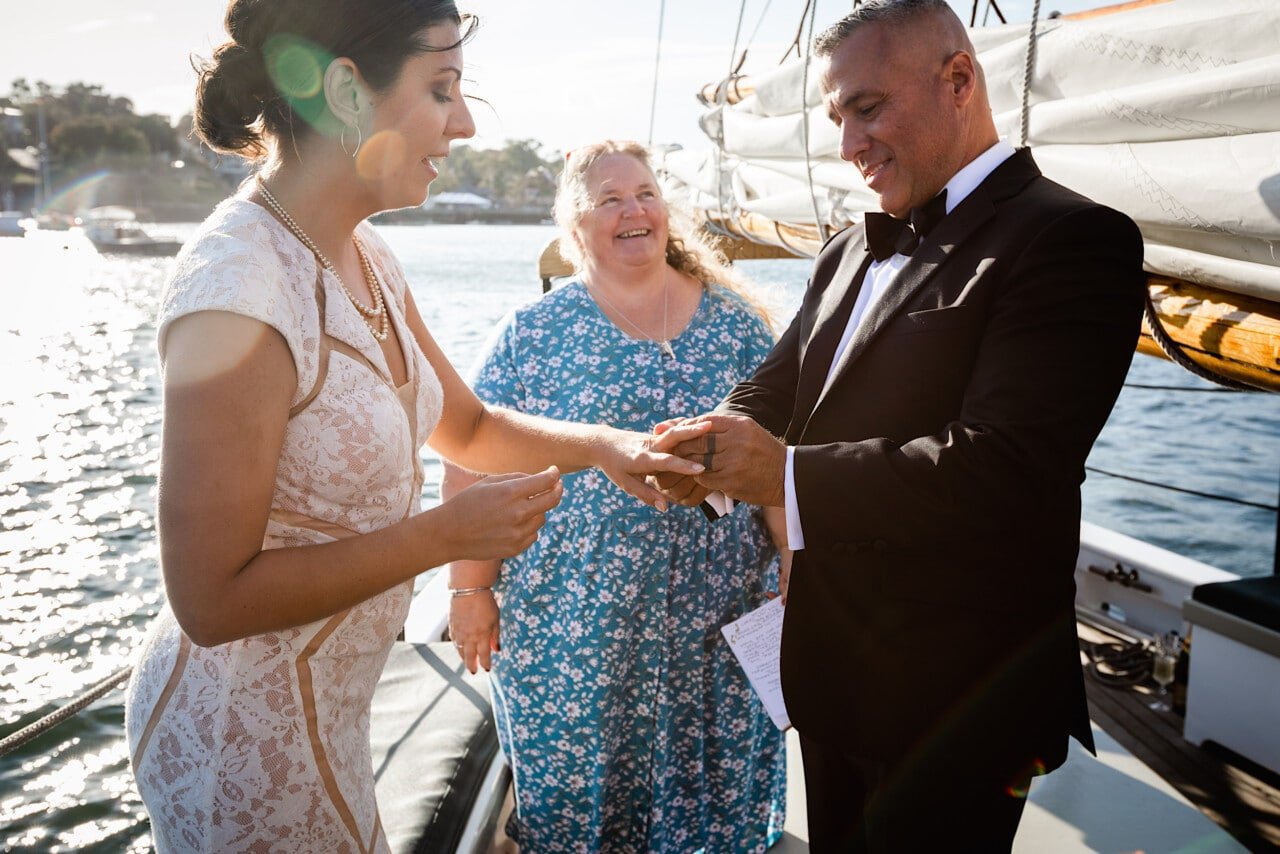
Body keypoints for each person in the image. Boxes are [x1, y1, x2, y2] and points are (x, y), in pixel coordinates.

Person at [122, 6, 707, 852]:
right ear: (346, 92)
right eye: (442, 89)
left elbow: (464, 427)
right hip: (236, 747)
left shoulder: (366, 258)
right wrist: (444, 537)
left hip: (330, 719)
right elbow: (210, 601)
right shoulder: (236, 286)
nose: (464, 123)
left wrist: (603, 448)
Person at [653, 1, 1147, 849]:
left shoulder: (1074, 239)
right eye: (836, 115)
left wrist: (785, 477)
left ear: (959, 80)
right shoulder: (847, 248)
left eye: (868, 107)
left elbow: (1010, 469)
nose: (848, 144)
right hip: (829, 673)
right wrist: (706, 446)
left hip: (960, 699)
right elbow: (774, 389)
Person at [441, 140, 790, 852]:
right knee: (588, 814)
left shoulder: (737, 327)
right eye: (609, 200)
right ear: (574, 231)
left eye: (646, 193)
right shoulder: (532, 335)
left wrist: (798, 569)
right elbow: (468, 465)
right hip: (573, 636)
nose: (634, 210)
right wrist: (468, 591)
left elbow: (777, 462)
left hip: (718, 627)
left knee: (715, 809)